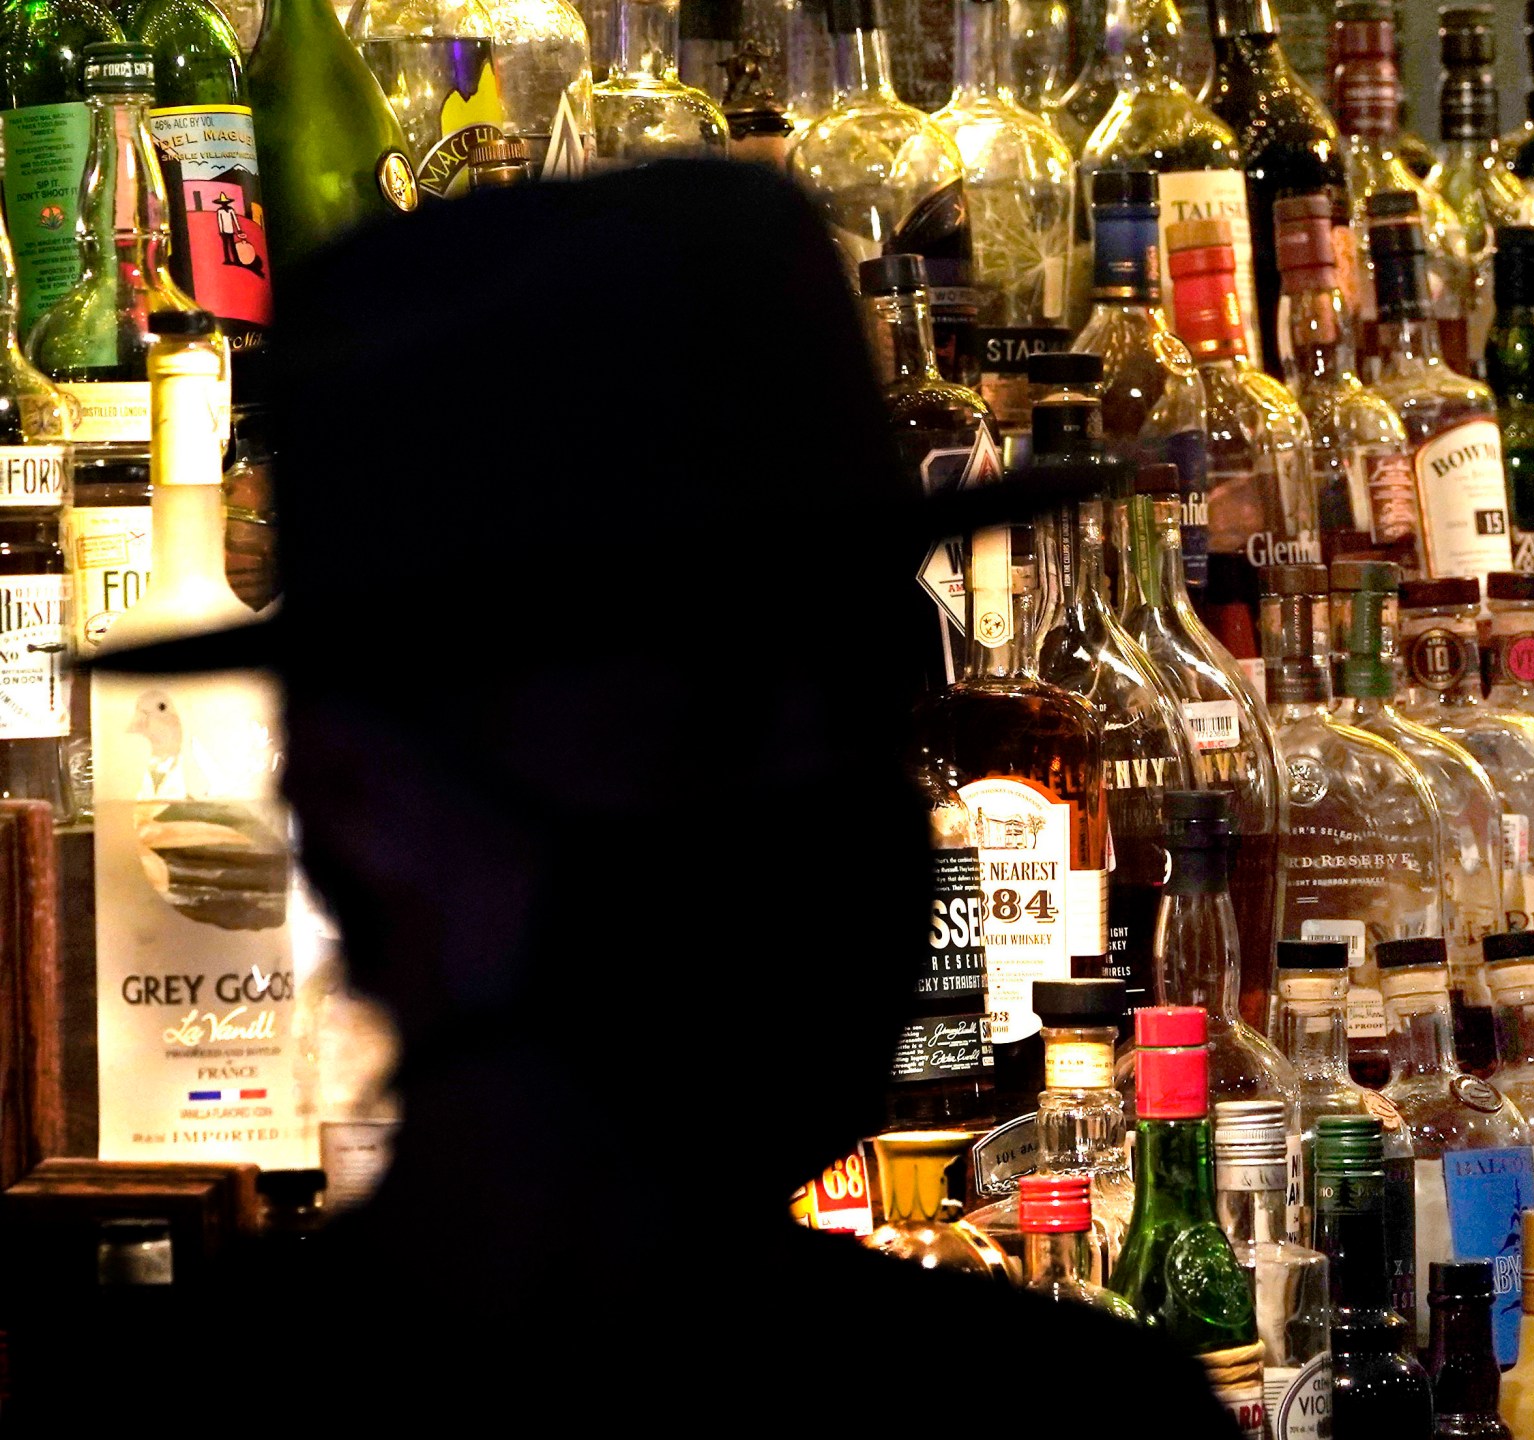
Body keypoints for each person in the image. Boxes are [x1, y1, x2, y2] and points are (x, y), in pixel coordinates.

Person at [30, 161, 1232, 1431]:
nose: (813, 821)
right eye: (699, 725)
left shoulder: (1080, 1423)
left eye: (858, 715)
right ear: (359, 808)